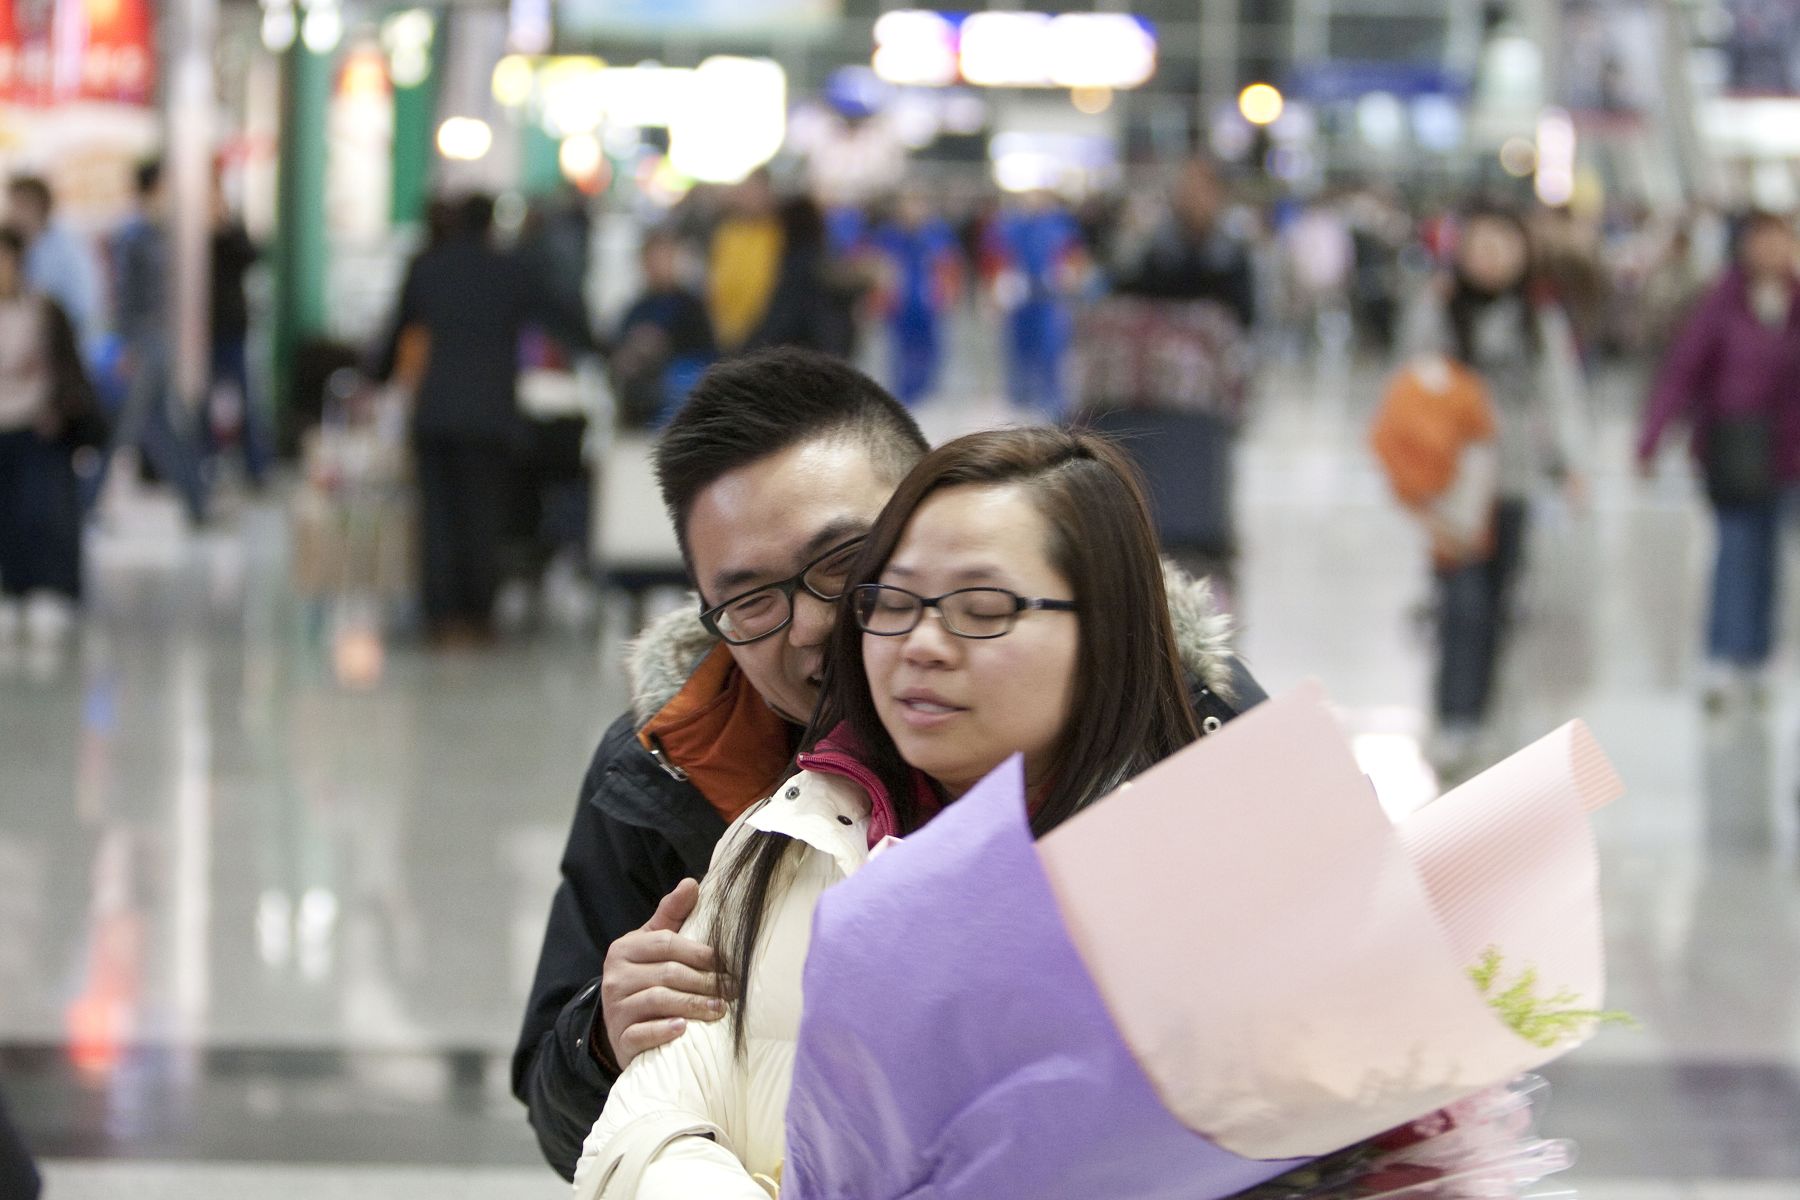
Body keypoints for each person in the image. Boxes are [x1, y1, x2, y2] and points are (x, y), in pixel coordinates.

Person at [570, 426, 1257, 1196]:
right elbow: (645, 1128)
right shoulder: (786, 838)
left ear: (1106, 631)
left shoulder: (1215, 879)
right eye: (891, 602)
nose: (920, 644)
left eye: (982, 607)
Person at [513, 349, 930, 1179]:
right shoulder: (660, 769)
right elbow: (561, 1126)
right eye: (751, 600)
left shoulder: (1135, 724)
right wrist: (603, 1036)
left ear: (937, 518)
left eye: (844, 562)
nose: (809, 627)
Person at [1400, 204, 1590, 768]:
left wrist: (1571, 463)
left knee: (1501, 604)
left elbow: (1559, 391)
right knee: (1461, 604)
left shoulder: (1538, 318)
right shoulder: (1438, 312)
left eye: (1504, 245)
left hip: (1514, 482)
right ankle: (1453, 717)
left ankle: (1480, 712)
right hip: (1453, 490)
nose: (1492, 257)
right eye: (1481, 245)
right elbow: (1408, 387)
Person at [385, 192, 589, 647]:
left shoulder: (428, 268)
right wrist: (599, 350)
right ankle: (478, 615)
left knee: (438, 518)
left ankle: (441, 615)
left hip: (435, 412)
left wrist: (376, 378)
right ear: (492, 224)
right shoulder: (510, 270)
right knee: (482, 515)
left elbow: (397, 331)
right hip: (490, 416)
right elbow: (564, 318)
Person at [1637, 211, 1800, 710]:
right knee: (1734, 551)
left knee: (1770, 558)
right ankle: (1722, 656)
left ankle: (1757, 657)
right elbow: (1683, 370)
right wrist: (1652, 436)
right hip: (1732, 451)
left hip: (1789, 456)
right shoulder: (1720, 304)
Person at [0, 227, 100, 648]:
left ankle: (51, 589)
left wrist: (61, 409)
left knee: (43, 512)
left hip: (39, 427)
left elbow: (67, 367)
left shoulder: (44, 311)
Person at [105, 160, 209, 526]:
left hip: (161, 343)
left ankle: (197, 501)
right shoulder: (133, 236)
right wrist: (127, 345)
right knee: (124, 429)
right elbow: (123, 294)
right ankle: (86, 505)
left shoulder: (163, 231)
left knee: (165, 427)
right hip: (142, 344)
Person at [201, 182, 272, 490]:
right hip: (203, 333)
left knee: (246, 398)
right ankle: (207, 463)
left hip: (231, 329)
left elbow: (252, 257)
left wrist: (226, 229)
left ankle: (256, 465)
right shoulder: (194, 235)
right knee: (202, 402)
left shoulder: (231, 233)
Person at [610, 228, 715, 430]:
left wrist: (662, 344)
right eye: (654, 259)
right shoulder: (637, 309)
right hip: (643, 390)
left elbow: (706, 350)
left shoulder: (691, 306)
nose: (660, 265)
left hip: (680, 383)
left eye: (666, 258)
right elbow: (616, 348)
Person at [872, 190, 961, 406]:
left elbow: (950, 267)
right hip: (899, 306)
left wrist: (948, 296)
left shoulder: (937, 235)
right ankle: (903, 395)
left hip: (928, 304)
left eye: (917, 205)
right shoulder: (888, 236)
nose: (912, 211)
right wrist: (878, 300)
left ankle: (925, 393)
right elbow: (876, 267)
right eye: (908, 205)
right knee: (900, 352)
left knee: (929, 352)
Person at [707, 171, 784, 355]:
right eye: (747, 191)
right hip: (727, 335)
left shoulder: (778, 233)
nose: (750, 197)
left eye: (756, 191)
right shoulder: (727, 233)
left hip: (767, 335)